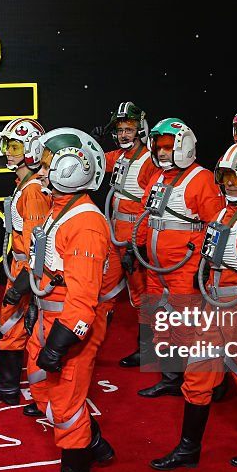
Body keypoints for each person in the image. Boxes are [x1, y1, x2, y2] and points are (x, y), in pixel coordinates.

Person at [151, 143, 237, 471]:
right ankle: (188, 449)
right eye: (225, 178)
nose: (229, 185)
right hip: (215, 301)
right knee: (197, 374)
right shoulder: (225, 210)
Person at [26, 127, 116, 472]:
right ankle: (94, 442)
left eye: (48, 163)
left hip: (69, 325)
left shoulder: (86, 223)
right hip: (50, 316)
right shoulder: (59, 209)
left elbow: (83, 300)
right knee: (39, 385)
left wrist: (60, 344)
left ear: (69, 169)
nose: (40, 169)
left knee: (65, 403)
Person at [132, 118, 225, 398]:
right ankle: (171, 377)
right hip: (155, 266)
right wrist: (132, 248)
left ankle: (204, 380)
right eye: (158, 147)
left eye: (168, 147)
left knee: (188, 325)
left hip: (186, 267)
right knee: (161, 321)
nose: (162, 153)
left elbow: (217, 224)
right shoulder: (157, 178)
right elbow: (143, 215)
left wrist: (206, 265)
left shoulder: (202, 179)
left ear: (183, 147)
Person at [0, 118, 50, 407]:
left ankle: (22, 391)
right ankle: (7, 385)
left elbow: (36, 246)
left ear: (30, 148)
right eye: (6, 145)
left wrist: (22, 284)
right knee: (11, 327)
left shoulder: (32, 191)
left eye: (14, 146)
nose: (7, 151)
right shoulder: (25, 184)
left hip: (25, 269)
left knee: (19, 327)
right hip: (19, 266)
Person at [102, 101, 159, 368]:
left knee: (142, 295)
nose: (124, 134)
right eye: (120, 129)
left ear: (141, 130)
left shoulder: (149, 161)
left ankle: (147, 349)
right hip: (116, 238)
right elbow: (97, 161)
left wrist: (139, 244)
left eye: (129, 129)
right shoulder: (121, 157)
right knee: (104, 289)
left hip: (135, 240)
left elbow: (153, 207)